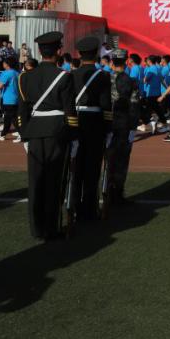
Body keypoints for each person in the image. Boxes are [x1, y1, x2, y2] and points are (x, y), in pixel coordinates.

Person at [18, 31, 78, 241]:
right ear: (59, 51)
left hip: (34, 132)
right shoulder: (64, 76)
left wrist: (24, 134)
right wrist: (73, 136)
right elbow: (70, 110)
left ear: (39, 51)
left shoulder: (25, 77)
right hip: (56, 132)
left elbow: (22, 110)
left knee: (35, 182)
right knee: (54, 181)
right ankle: (51, 228)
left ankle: (37, 228)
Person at [71, 36, 111, 222]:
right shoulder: (102, 76)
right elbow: (106, 105)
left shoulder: (71, 75)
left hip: (75, 122)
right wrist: (108, 128)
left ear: (80, 54)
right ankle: (89, 209)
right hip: (95, 123)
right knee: (92, 167)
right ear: (96, 54)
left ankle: (73, 206)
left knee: (75, 167)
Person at [104, 48, 139, 209]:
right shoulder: (130, 81)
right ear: (125, 62)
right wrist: (133, 128)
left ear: (112, 62)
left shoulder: (104, 79)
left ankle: (105, 191)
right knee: (121, 161)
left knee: (108, 160)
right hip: (123, 126)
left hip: (107, 125)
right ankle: (117, 194)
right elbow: (134, 106)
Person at [0, 58, 21, 143]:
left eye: (4, 63)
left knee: (9, 118)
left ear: (7, 64)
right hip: (15, 98)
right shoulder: (17, 72)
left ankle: (4, 134)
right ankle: (8, 133)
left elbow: (0, 86)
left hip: (9, 99)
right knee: (12, 118)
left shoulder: (6, 73)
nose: (3, 64)